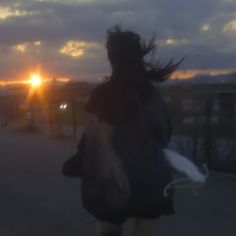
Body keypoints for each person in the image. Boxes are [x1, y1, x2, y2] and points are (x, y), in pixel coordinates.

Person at [80, 26, 181, 236]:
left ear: (111, 58)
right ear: (138, 56)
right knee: (146, 227)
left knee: (109, 229)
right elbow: (164, 135)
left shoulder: (101, 95)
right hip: (151, 177)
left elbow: (91, 138)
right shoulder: (151, 94)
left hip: (111, 178)